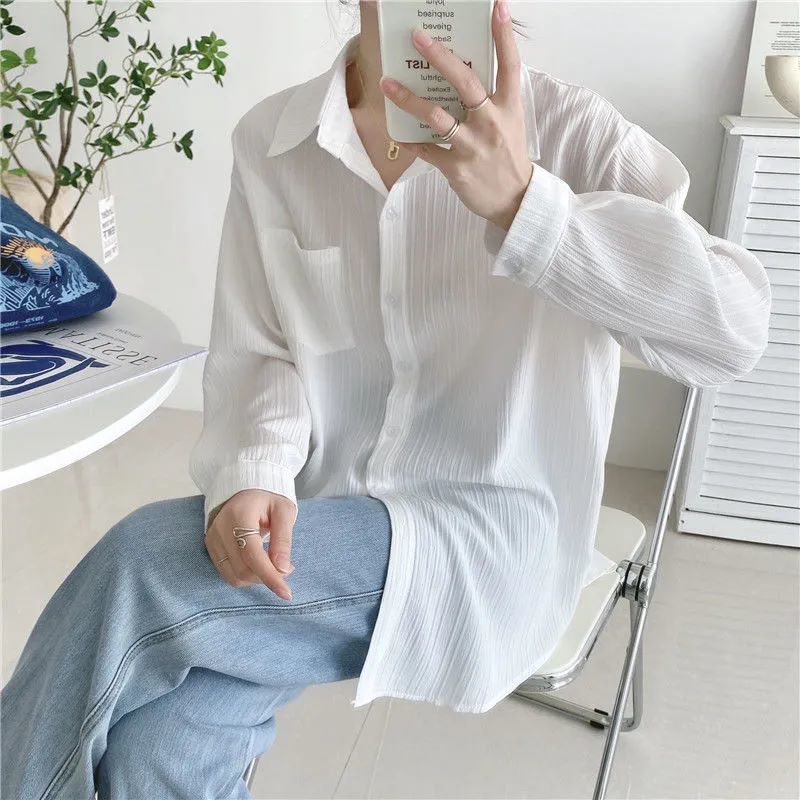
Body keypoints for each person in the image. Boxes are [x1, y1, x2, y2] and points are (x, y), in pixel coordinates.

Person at [1, 1, 772, 798]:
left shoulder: (574, 133)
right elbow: (264, 347)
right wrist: (251, 472)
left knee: (139, 565)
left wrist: (528, 206)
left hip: (489, 537)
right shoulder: (275, 140)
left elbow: (736, 333)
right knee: (163, 744)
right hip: (316, 524)